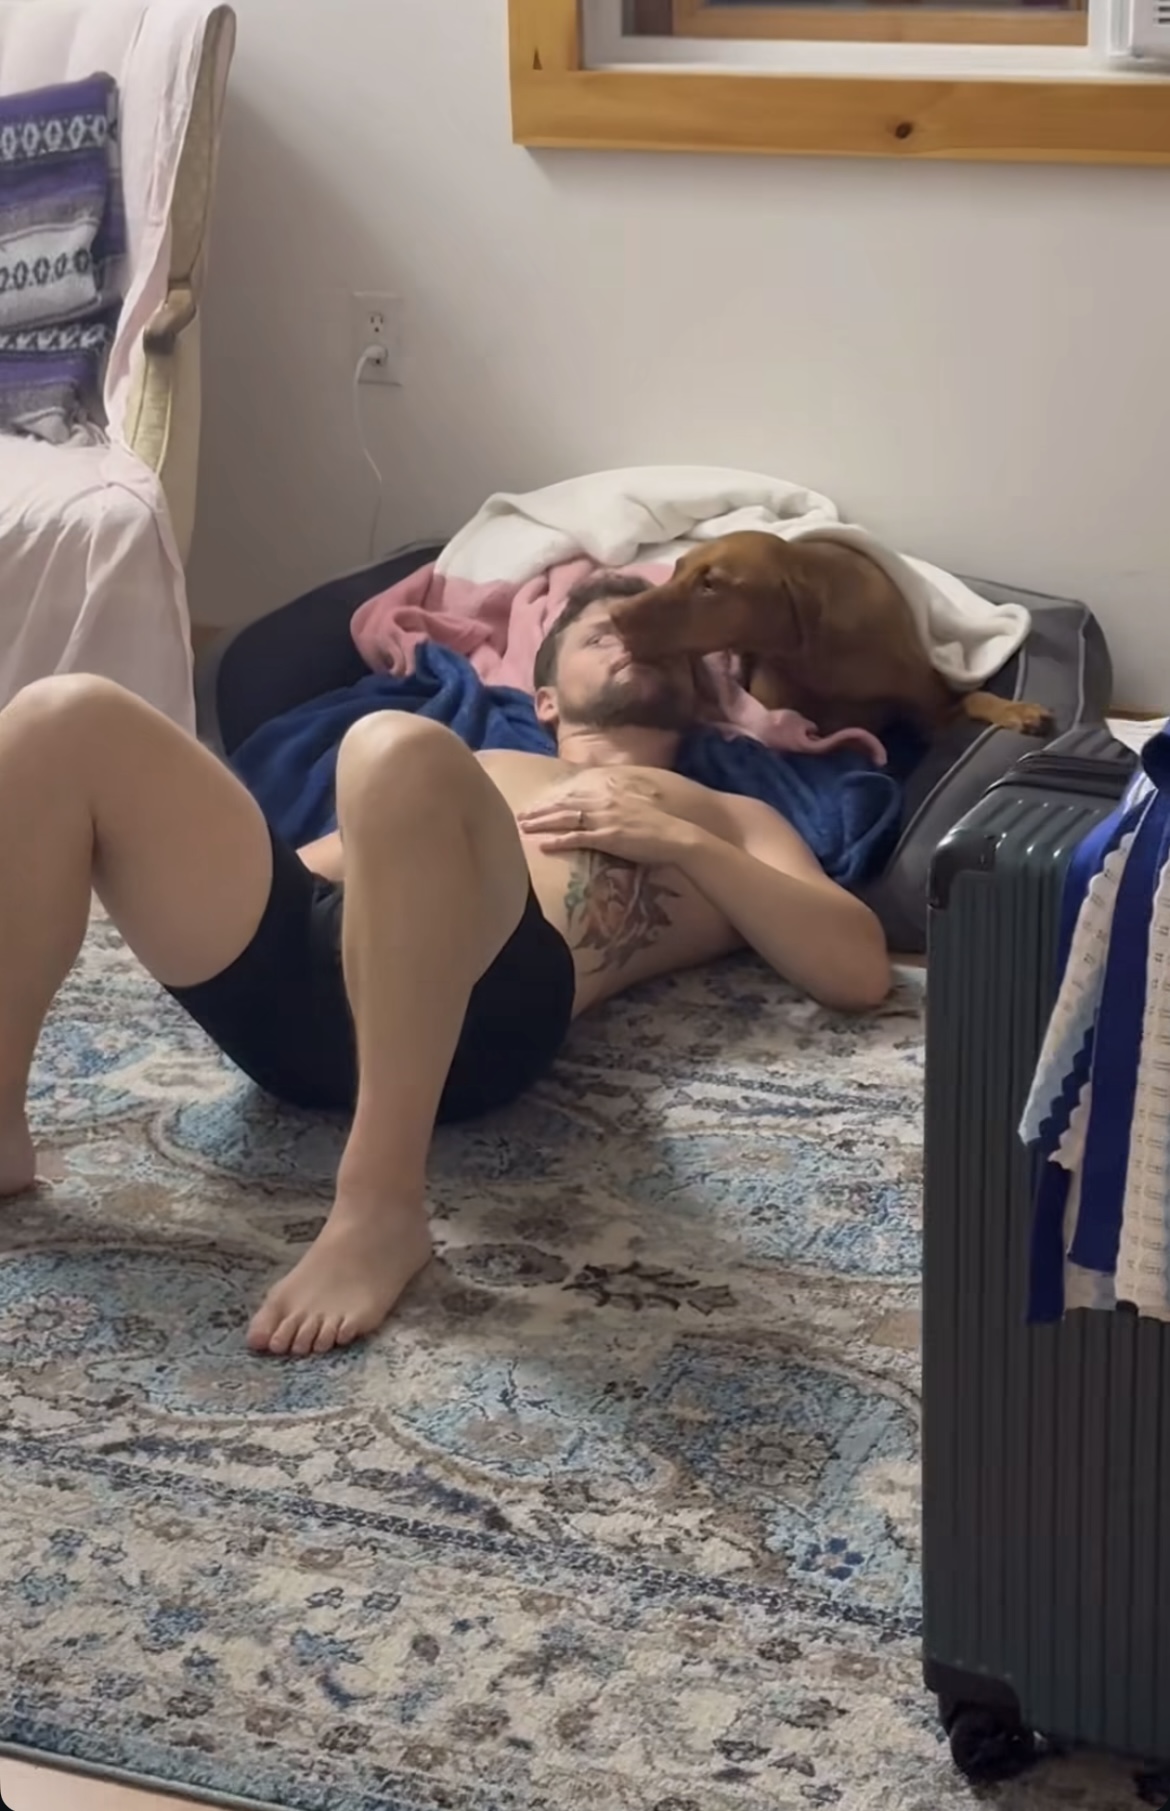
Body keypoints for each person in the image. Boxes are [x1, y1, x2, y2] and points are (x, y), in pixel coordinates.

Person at [0, 573, 890, 1359]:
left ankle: (380, 1206)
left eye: (657, 643)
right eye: (602, 636)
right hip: (305, 985)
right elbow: (303, 876)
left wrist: (680, 841)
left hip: (478, 1012)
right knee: (63, 712)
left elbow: (855, 967)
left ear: (696, 698)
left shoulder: (727, 815)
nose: (632, 645)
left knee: (393, 744)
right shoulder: (480, 765)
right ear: (547, 700)